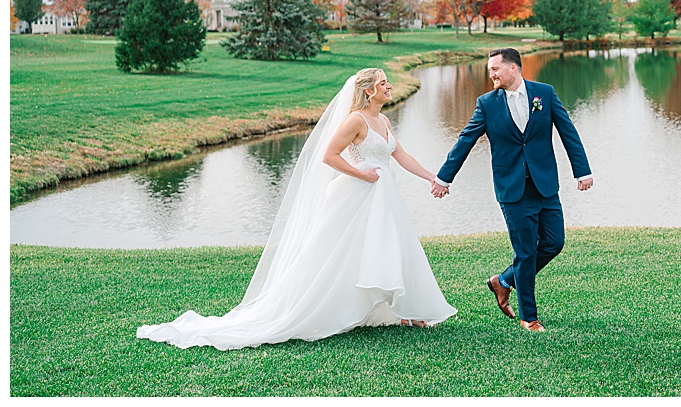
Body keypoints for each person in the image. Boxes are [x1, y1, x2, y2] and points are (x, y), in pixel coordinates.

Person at [138, 68, 456, 350]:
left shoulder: (383, 120)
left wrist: (434, 177)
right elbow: (329, 155)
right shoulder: (355, 120)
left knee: (386, 248)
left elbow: (401, 156)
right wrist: (363, 174)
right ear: (368, 90)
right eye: (384, 83)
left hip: (384, 197)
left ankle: (399, 310)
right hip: (357, 193)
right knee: (339, 255)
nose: (389, 87)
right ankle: (326, 308)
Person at [432, 47, 593, 332]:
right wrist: (444, 179)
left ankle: (503, 281)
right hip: (512, 189)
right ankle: (529, 318)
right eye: (489, 69)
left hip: (545, 185)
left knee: (555, 243)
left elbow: (568, 132)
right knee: (526, 251)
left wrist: (582, 171)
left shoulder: (544, 93)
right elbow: (465, 141)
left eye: (495, 69)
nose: (490, 74)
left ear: (513, 68)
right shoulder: (487, 103)